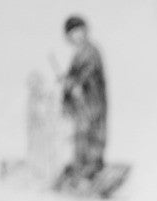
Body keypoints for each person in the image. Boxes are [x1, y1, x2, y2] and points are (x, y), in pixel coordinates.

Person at [56, 14, 106, 190]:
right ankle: (81, 167)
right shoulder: (79, 53)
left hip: (92, 101)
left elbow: (87, 74)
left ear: (85, 31)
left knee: (90, 133)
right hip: (81, 103)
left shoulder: (91, 51)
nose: (76, 37)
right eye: (72, 35)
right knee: (81, 134)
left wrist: (72, 83)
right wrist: (67, 81)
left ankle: (90, 169)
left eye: (78, 32)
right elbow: (75, 76)